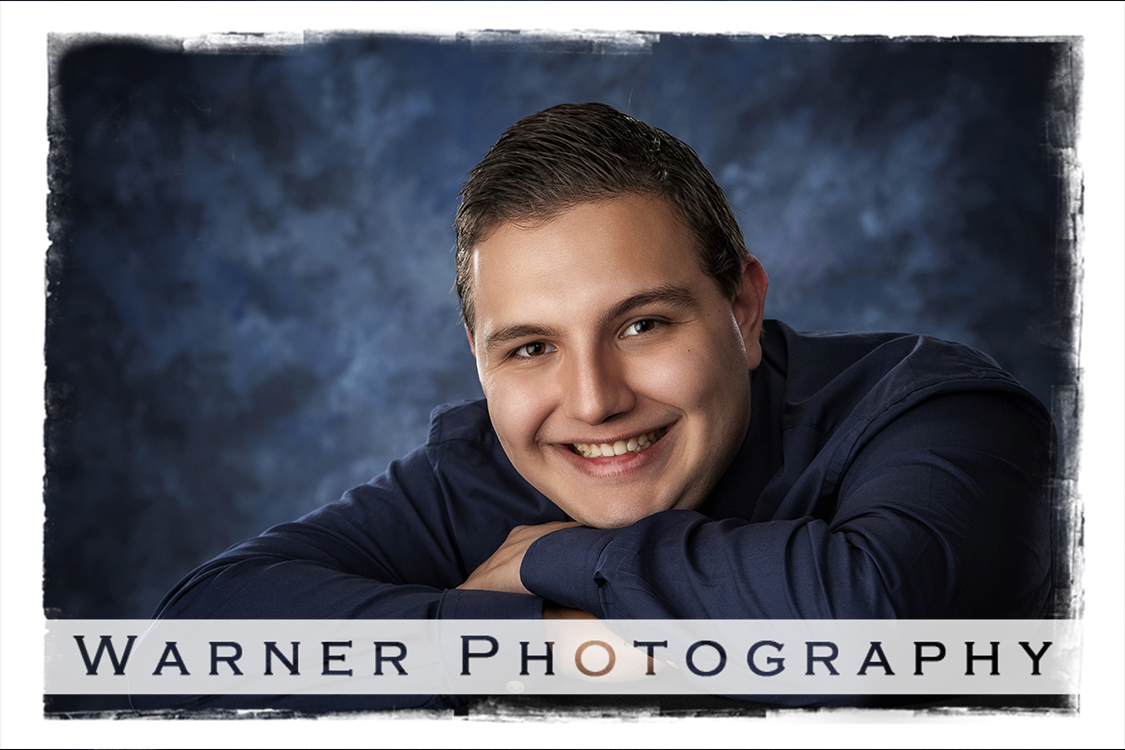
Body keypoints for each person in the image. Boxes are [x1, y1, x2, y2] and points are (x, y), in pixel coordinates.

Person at [144, 102, 1055, 711]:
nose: (592, 401)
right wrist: (550, 638)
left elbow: (868, 617)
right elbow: (202, 631)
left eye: (642, 325)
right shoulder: (484, 467)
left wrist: (556, 556)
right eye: (531, 347)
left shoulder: (941, 410)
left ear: (741, 312)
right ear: (480, 359)